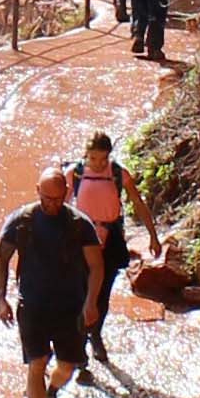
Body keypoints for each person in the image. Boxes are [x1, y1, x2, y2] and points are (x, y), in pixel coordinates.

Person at [0, 157, 97, 398]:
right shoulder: (21, 222)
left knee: (67, 365)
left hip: (70, 306)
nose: (52, 204)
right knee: (36, 363)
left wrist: (91, 302)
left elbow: (96, 265)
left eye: (57, 198)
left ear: (66, 192)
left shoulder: (79, 224)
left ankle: (52, 392)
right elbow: (2, 261)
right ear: (37, 190)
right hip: (33, 305)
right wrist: (1, 299)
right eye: (46, 198)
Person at [70, 129, 162, 373]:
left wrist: (153, 236)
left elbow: (138, 203)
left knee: (102, 296)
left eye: (103, 159)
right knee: (81, 295)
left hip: (110, 239)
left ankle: (95, 335)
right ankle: (80, 351)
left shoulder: (119, 174)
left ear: (109, 155)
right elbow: (60, 205)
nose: (98, 164)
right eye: (93, 158)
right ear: (86, 154)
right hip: (82, 240)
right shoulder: (75, 173)